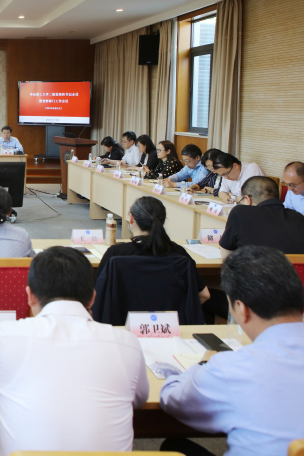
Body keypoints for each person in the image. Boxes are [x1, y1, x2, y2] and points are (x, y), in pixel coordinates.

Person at [0, 247, 149, 456]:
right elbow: (140, 398)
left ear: (30, 296)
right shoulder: (127, 344)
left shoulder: (5, 336)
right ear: (92, 298)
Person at [159, 246, 304, 456]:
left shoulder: (231, 368)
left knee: (174, 447)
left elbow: (171, 399)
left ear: (242, 309)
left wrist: (204, 364)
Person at [95, 196, 210, 304]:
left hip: (122, 318)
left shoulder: (116, 253)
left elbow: (95, 295)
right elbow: (204, 295)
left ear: (132, 219)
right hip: (170, 318)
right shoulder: (179, 253)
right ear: (163, 222)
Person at [219, 176, 304, 259]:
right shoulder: (298, 216)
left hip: (254, 268)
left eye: (242, 201)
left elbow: (226, 256)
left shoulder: (240, 212)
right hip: (292, 268)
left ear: (248, 199)